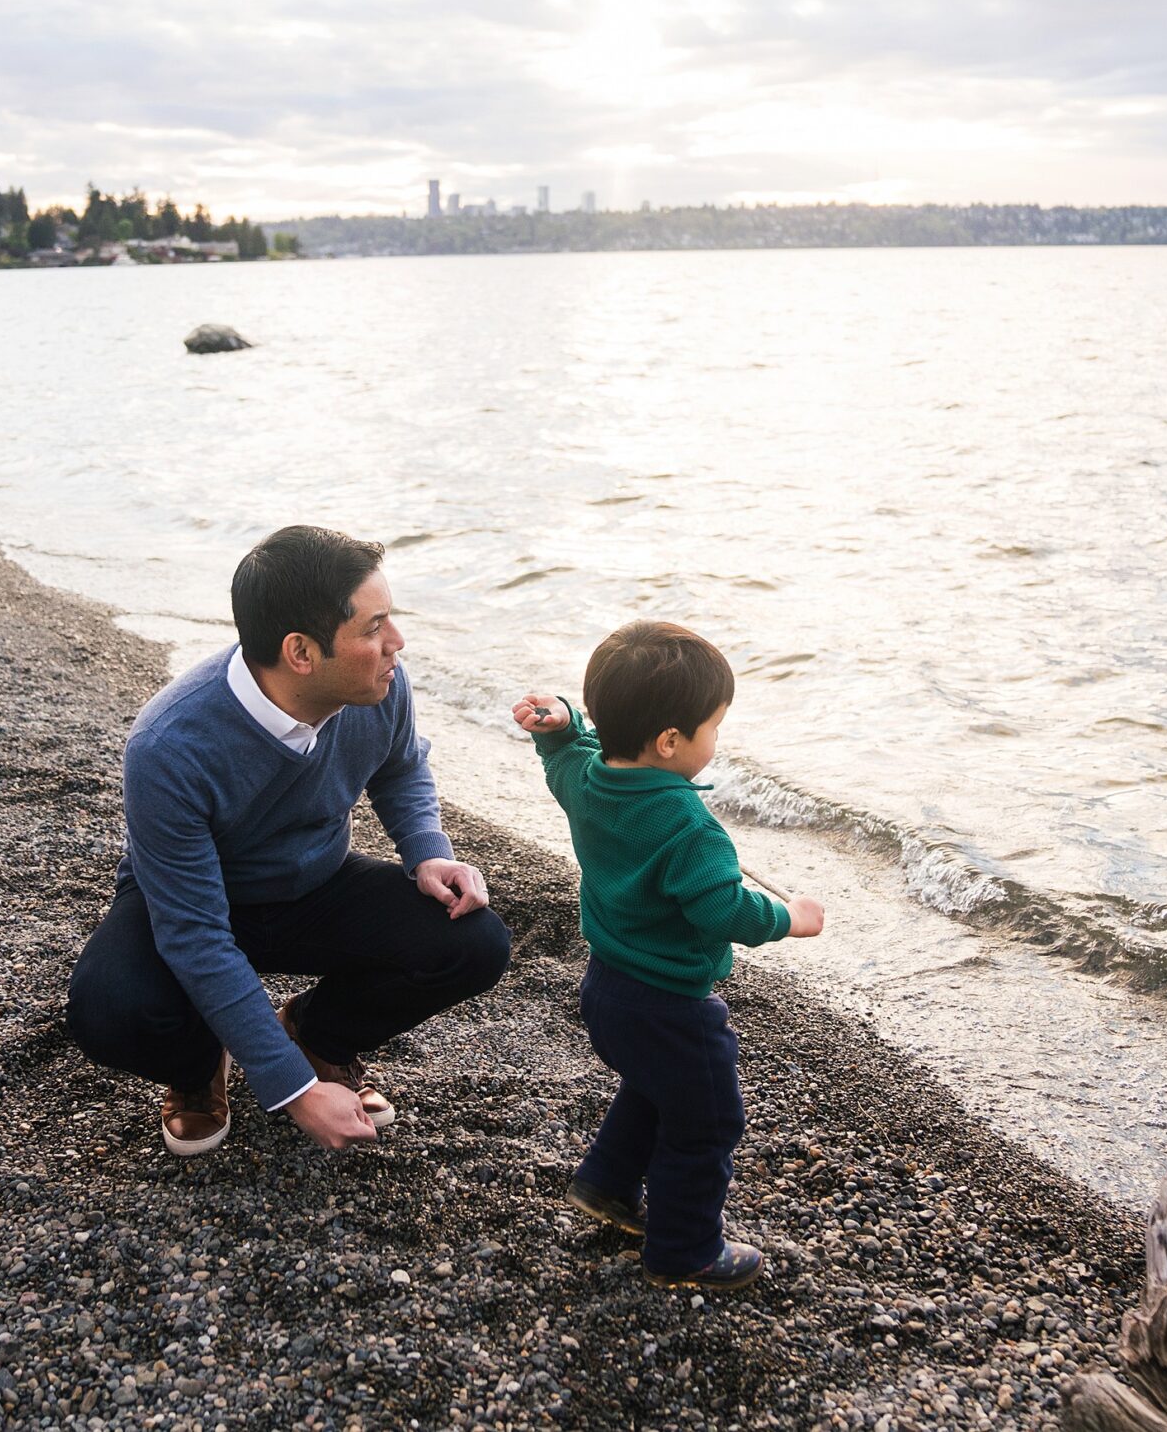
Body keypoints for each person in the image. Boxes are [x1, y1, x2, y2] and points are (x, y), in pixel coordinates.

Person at [66, 525, 512, 1156]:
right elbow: (193, 934)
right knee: (112, 1011)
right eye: (372, 626)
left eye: (392, 619)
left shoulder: (380, 684)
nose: (396, 642)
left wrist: (427, 850)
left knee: (474, 940)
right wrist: (294, 1092)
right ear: (301, 652)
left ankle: (315, 1036)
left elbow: (400, 766)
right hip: (198, 899)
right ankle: (200, 1066)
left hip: (315, 883)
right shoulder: (168, 746)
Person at [513, 620, 825, 1290]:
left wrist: (560, 727)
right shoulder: (688, 825)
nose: (717, 740)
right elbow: (723, 910)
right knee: (708, 1118)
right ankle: (684, 1251)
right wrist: (790, 919)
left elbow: (565, 756)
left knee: (657, 1089)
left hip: (607, 990)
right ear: (671, 741)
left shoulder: (589, 781)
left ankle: (605, 1185)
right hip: (672, 1005)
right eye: (715, 727)